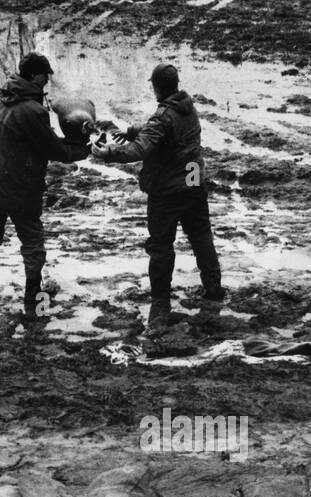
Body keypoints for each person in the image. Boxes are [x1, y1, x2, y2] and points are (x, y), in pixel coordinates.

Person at [93, 63, 224, 318]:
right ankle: (214, 288)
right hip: (194, 182)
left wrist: (107, 153)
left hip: (168, 191)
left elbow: (140, 149)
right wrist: (131, 132)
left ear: (156, 87)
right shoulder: (187, 106)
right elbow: (162, 132)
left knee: (161, 246)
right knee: (201, 235)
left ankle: (161, 300)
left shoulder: (162, 116)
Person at [0, 52, 89, 316]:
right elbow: (51, 148)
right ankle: (34, 298)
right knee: (32, 241)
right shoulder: (32, 111)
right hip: (21, 189)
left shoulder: (4, 99)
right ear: (35, 76)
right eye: (45, 75)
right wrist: (82, 149)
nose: (47, 81)